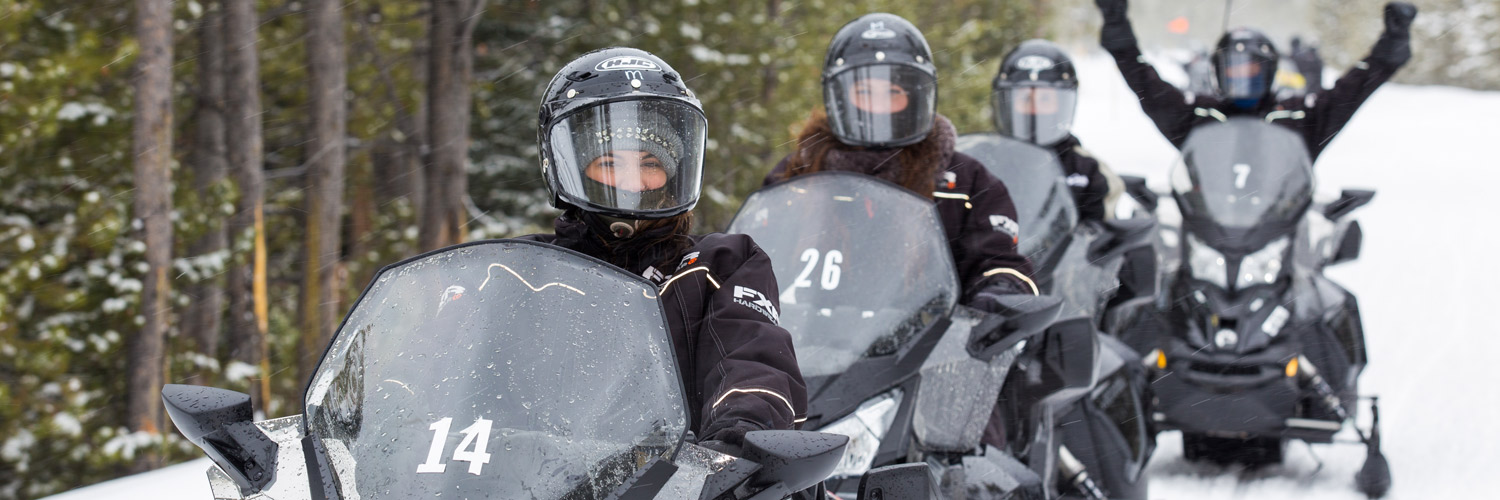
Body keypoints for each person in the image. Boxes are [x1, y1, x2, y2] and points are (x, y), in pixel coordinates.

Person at [522, 47, 806, 454]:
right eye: (609, 162)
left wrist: (739, 439)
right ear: (566, 166)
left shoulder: (719, 265)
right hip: (535, 477)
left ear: (675, 173)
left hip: (679, 483)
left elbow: (753, 361)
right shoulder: (527, 274)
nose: (632, 183)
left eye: (650, 163)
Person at [765, 13, 1038, 304]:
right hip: (804, 340)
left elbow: (997, 260)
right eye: (865, 92)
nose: (878, 107)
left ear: (917, 96)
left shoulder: (966, 181)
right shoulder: (797, 174)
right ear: (840, 98)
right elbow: (755, 260)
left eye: (893, 92)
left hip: (928, 343)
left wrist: (1000, 291)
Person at [1094, 0, 1418, 161]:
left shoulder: (1299, 117)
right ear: (1218, 72)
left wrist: (1390, 47)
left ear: (1269, 70)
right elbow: (1146, 84)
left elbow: (1354, 88)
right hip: (1206, 235)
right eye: (1232, 70)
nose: (1241, 78)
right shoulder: (1199, 116)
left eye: (1250, 70)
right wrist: (1118, 32)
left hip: (1279, 237)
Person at [992, 39, 1124, 222]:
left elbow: (1101, 236)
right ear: (1008, 103)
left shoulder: (1087, 169)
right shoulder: (985, 163)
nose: (1034, 108)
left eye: (1045, 99)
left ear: (1062, 105)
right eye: (1025, 98)